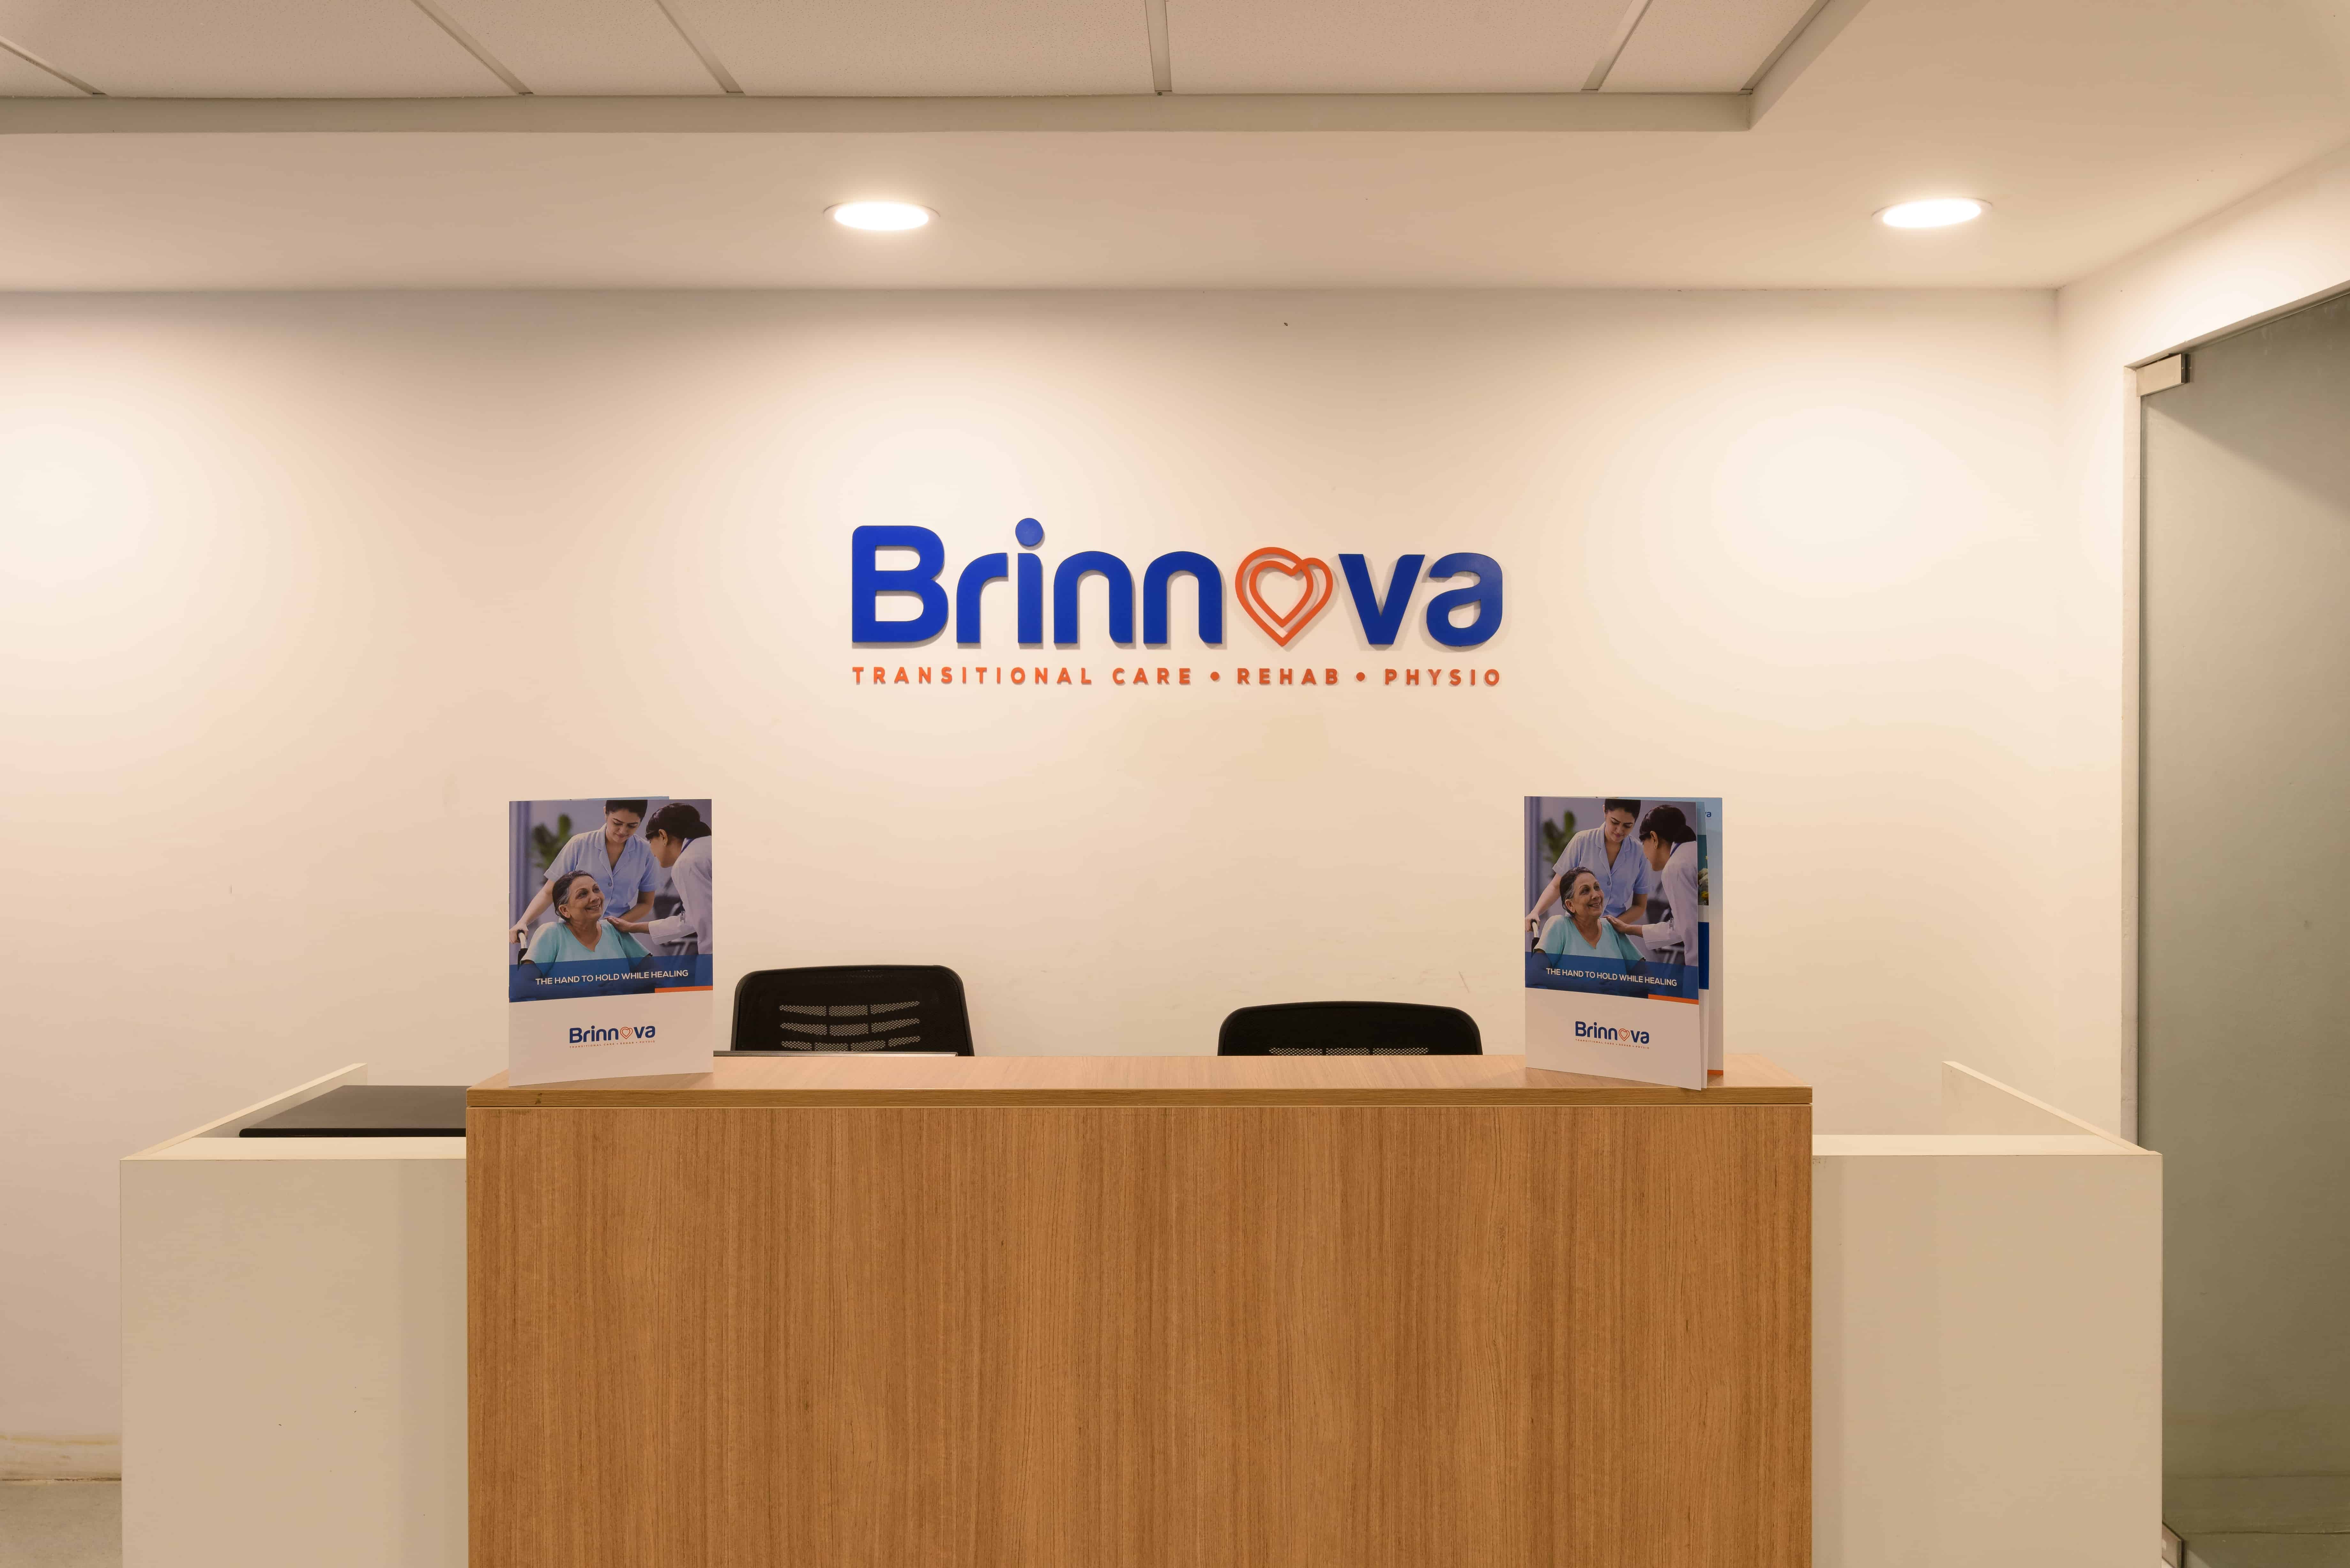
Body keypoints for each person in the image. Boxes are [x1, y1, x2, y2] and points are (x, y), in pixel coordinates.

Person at [509, 800, 661, 950]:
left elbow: (646, 903)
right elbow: (549, 892)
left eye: (632, 826)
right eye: (617, 823)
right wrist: (524, 922)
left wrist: (614, 927)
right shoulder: (579, 844)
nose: (623, 831)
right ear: (606, 813)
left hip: (616, 936)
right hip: (573, 934)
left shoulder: (647, 852)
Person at [1526, 798, 1653, 935]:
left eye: (1628, 826)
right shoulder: (1582, 841)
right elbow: (1556, 886)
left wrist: (1611, 926)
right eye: (1615, 822)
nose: (1619, 830)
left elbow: (1640, 906)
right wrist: (1536, 912)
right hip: (1576, 931)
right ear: (1605, 812)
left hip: (1614, 934)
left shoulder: (1640, 853)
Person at [612, 802, 711, 954]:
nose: (652, 853)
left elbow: (707, 925)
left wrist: (708, 965)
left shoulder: (687, 863)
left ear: (663, 836)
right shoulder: (705, 848)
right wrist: (632, 927)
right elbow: (691, 920)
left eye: (651, 842)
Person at [1609, 804, 1701, 965]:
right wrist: (1628, 929)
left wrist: (1694, 974)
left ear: (1654, 839)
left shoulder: (1675, 867)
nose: (1644, 854)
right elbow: (1679, 928)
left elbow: (1692, 931)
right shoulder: (1694, 852)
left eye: (1643, 844)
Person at [521, 871, 649, 967]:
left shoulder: (614, 929)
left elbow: (653, 972)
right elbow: (525, 985)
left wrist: (625, 985)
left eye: (596, 889)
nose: (595, 898)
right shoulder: (552, 934)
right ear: (565, 911)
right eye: (583, 894)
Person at [1539, 866, 1649, 965]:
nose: (1596, 895)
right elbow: (1537, 972)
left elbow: (1645, 975)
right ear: (1570, 905)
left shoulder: (1612, 928)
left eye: (1597, 887)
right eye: (1585, 891)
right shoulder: (1560, 926)